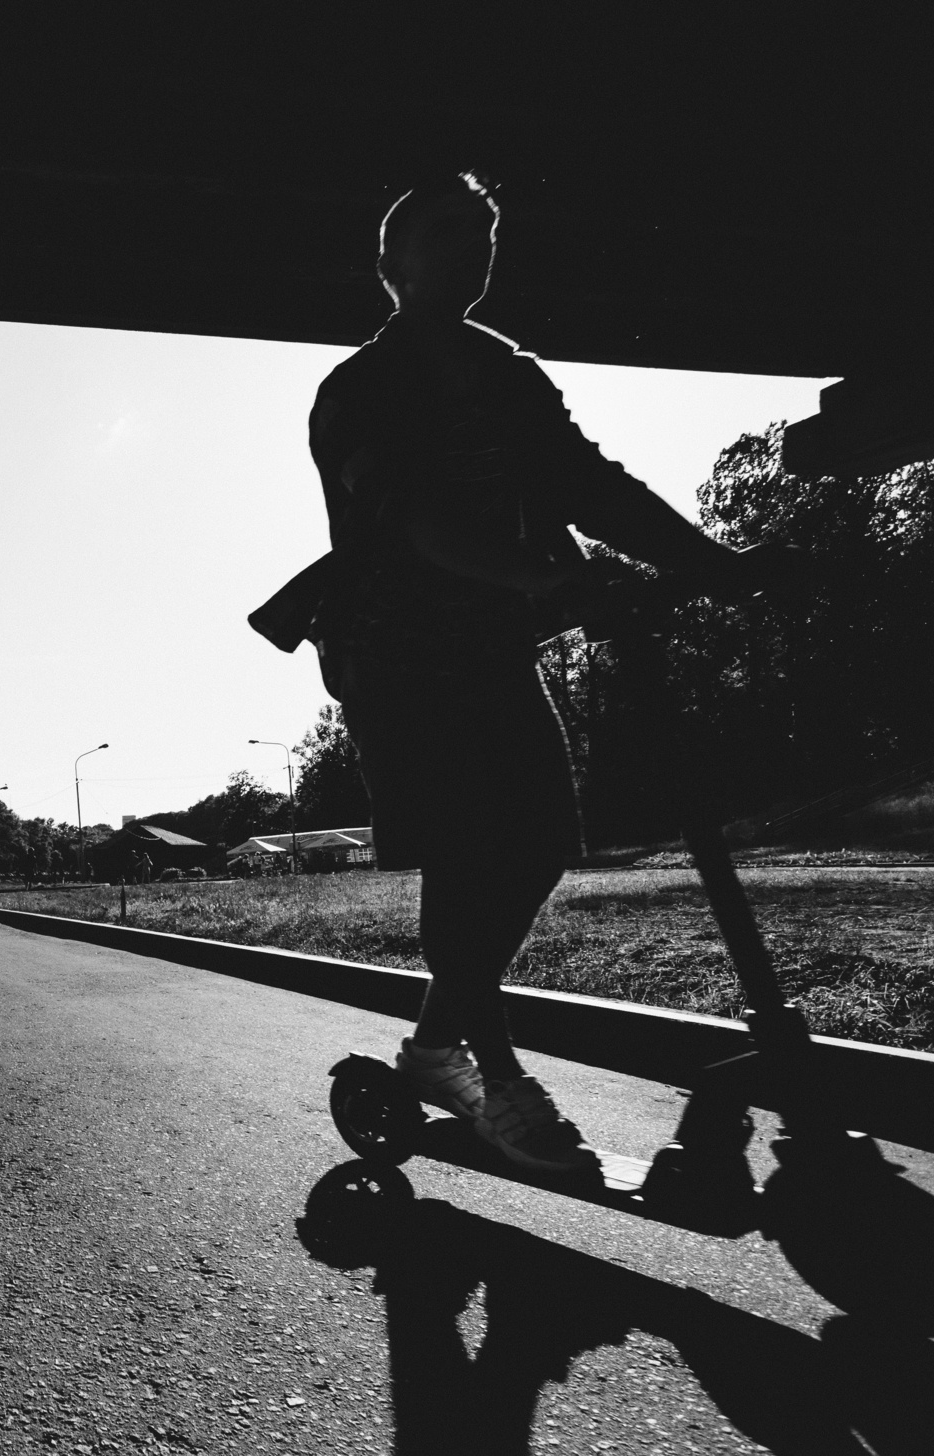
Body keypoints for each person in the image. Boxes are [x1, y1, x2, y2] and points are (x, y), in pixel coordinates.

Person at [305, 172, 755, 1171]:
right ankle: (491, 1076)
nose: (473, 250)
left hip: (490, 647)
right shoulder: (356, 391)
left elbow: (589, 481)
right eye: (448, 233)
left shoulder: (508, 372)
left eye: (486, 234)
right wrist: (549, 578)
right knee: (470, 855)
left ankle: (434, 1047)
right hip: (398, 659)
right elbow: (415, 525)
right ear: (392, 262)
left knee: (543, 838)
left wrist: (711, 564)